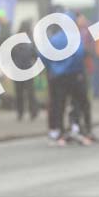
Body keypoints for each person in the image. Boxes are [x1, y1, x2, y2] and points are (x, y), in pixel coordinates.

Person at [40, 10, 88, 145]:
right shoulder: (75, 38)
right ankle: (75, 127)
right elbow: (80, 54)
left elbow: (43, 55)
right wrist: (77, 70)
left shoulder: (54, 39)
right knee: (76, 103)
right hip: (73, 75)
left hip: (56, 76)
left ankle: (57, 131)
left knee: (58, 104)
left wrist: (51, 68)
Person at [12, 19, 40, 122]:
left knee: (19, 93)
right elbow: (35, 55)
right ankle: (33, 112)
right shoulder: (30, 40)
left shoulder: (14, 40)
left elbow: (10, 56)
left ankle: (20, 113)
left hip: (17, 70)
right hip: (28, 69)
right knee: (30, 93)